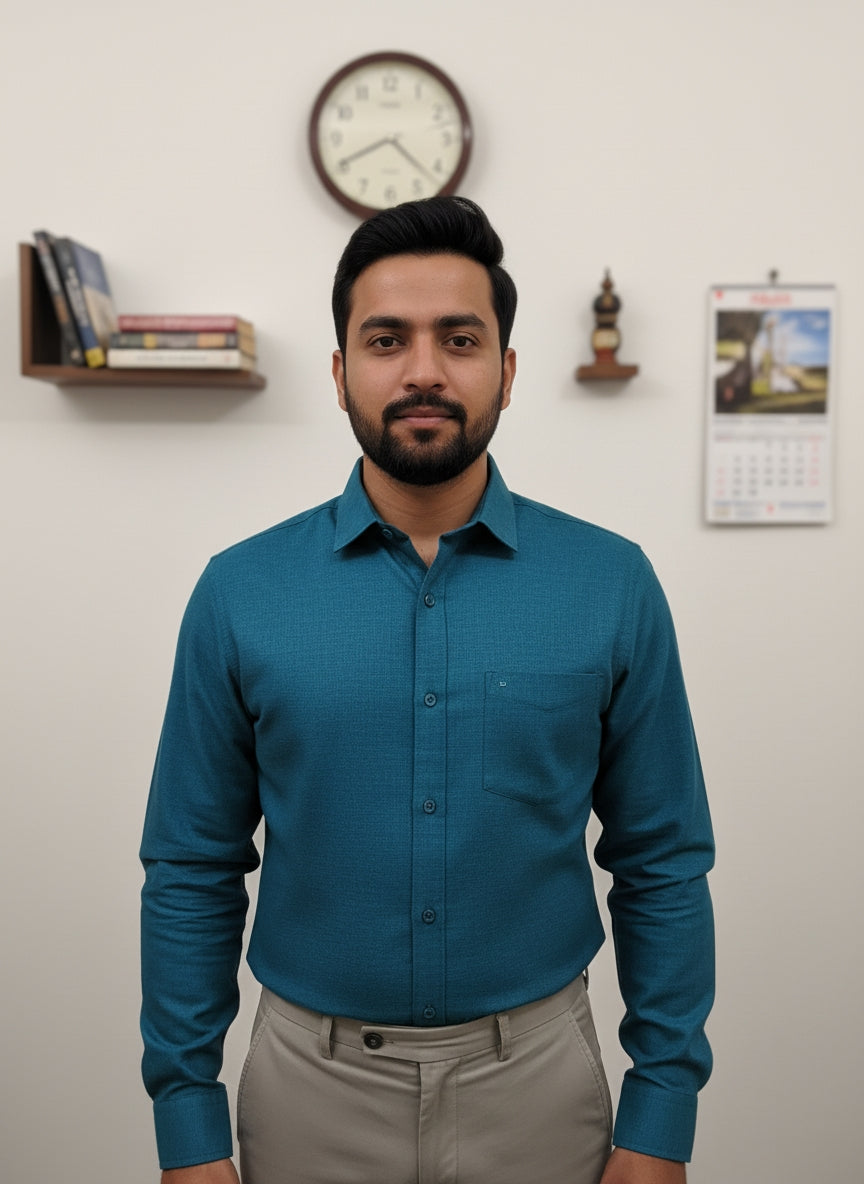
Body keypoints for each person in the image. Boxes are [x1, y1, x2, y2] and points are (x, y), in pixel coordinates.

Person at [140, 196, 714, 1184]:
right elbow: (193, 864)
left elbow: (662, 856)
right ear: (339, 372)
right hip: (306, 1092)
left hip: (540, 1084)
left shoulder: (610, 583)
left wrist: (660, 1115)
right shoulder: (240, 592)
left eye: (459, 338)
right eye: (384, 338)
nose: (422, 370)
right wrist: (188, 1126)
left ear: (507, 368)